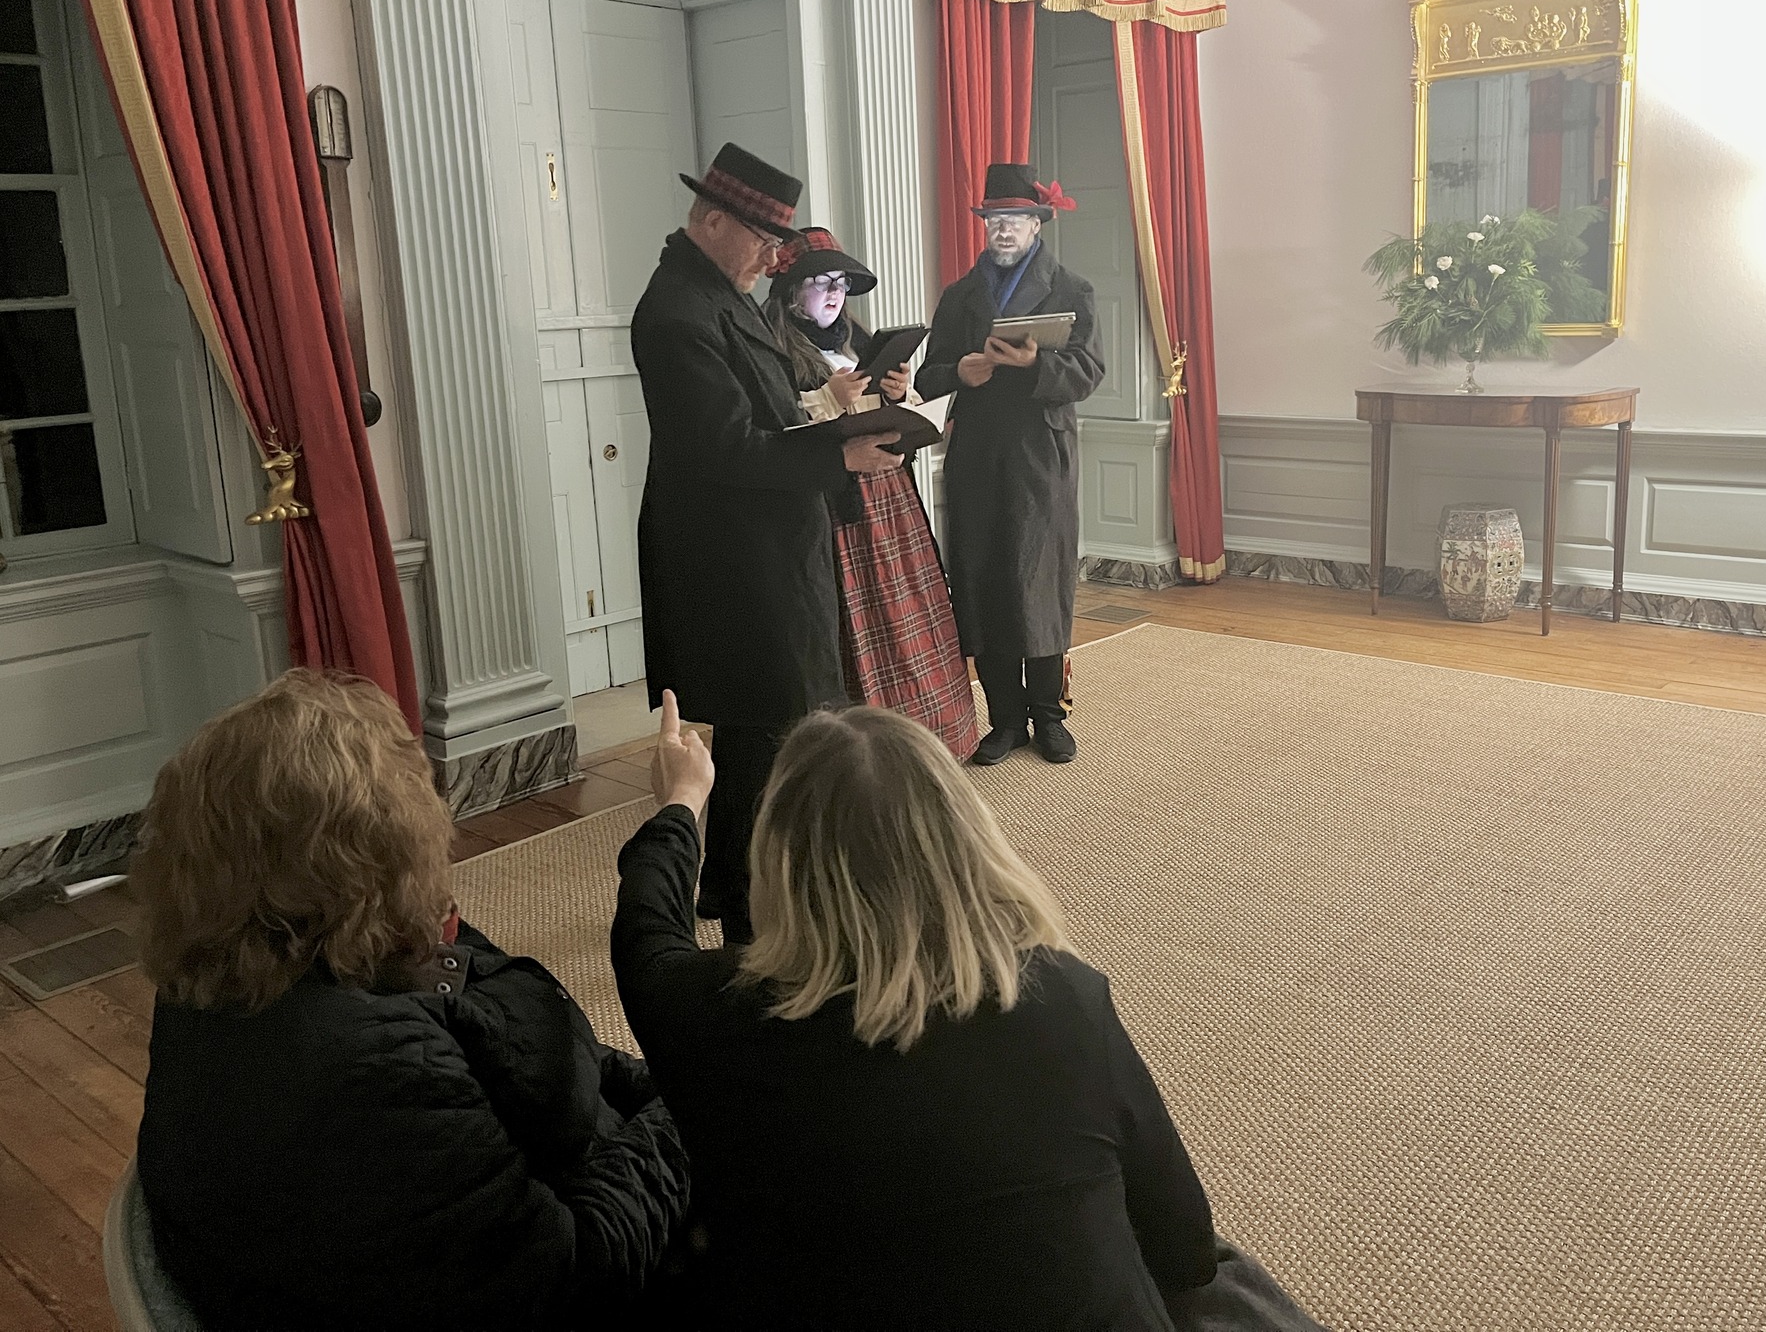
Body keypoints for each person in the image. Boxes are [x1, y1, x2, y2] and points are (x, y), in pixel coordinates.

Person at [609, 694, 1220, 1330]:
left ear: (779, 860)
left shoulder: (711, 1015)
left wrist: (681, 802)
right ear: (967, 835)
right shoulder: (1066, 998)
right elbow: (1186, 1248)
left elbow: (645, 935)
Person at [129, 669, 687, 1331]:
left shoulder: (214, 984)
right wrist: (694, 1109)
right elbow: (575, 1276)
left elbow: (524, 1030)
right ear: (376, 851)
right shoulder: (380, 1071)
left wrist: (669, 1093)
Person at [631, 143, 903, 943]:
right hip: (734, 558)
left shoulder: (720, 292)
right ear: (711, 218)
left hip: (768, 544)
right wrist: (839, 453)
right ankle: (750, 926)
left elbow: (764, 407)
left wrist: (826, 403)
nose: (772, 257)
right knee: (765, 727)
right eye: (760, 238)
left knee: (767, 731)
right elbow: (722, 449)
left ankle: (732, 892)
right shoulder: (677, 310)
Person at [763, 225, 981, 760]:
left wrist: (901, 391)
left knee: (909, 611)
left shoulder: (858, 341)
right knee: (853, 623)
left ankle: (932, 740)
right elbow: (778, 431)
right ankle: (867, 755)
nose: (833, 293)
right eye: (818, 282)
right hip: (834, 504)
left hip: (890, 496)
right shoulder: (773, 350)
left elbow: (899, 410)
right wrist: (826, 396)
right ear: (791, 292)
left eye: (839, 282)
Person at [917, 162, 1106, 767]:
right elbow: (928, 375)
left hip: (1040, 453)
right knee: (984, 583)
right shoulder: (959, 295)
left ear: (1036, 223)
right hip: (975, 453)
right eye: (995, 220)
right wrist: (960, 372)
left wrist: (1032, 368)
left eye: (1016, 219)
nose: (1004, 230)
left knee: (1041, 585)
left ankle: (1050, 716)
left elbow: (1088, 372)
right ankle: (1003, 719)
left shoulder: (1071, 289)